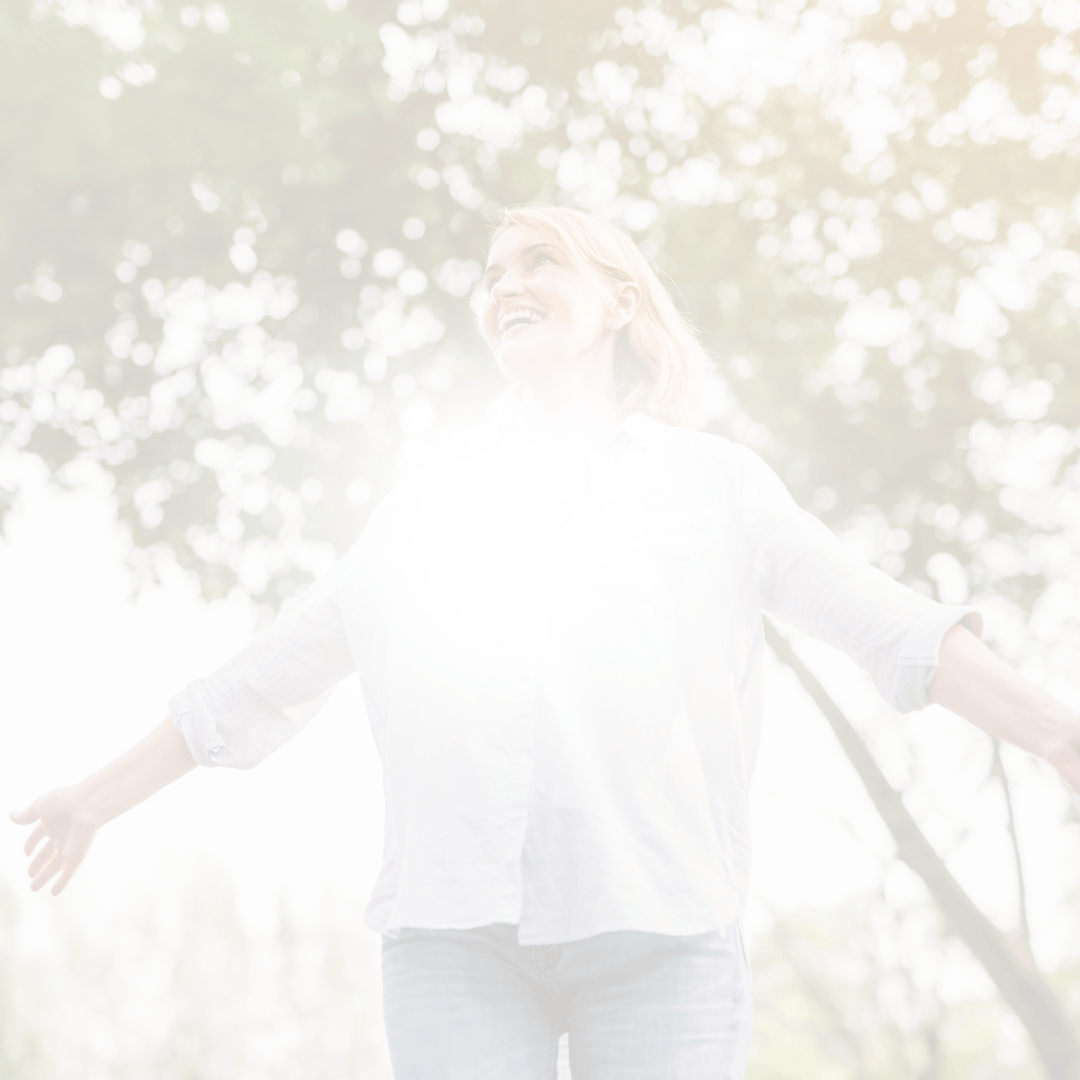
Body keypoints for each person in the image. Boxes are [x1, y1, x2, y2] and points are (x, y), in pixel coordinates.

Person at [11, 205, 1080, 1080]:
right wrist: (90, 800)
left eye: (539, 261)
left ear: (620, 303)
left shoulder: (715, 490)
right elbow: (265, 676)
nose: (506, 284)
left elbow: (888, 625)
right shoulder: (429, 505)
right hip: (455, 941)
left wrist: (1057, 734)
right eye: (490, 273)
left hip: (661, 936)